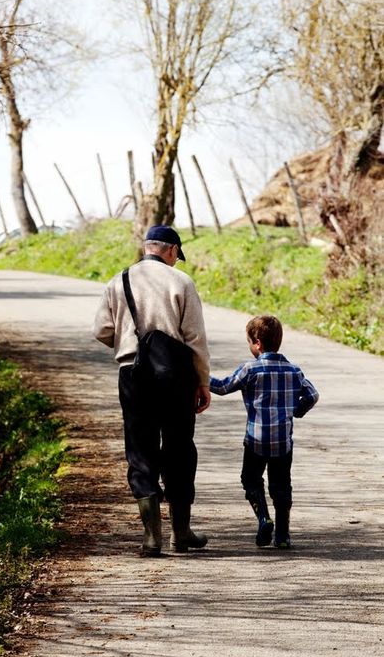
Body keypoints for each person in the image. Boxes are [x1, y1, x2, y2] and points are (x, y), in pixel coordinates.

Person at [94, 225, 211, 556]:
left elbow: (100, 329)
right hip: (176, 377)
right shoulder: (181, 282)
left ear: (147, 248)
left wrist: (129, 345)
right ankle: (182, 532)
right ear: (172, 250)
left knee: (140, 448)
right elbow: (195, 338)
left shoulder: (119, 281)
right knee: (179, 448)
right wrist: (202, 380)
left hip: (132, 375)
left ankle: (151, 538)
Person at [210, 315, 319, 548]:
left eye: (249, 342)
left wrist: (197, 376)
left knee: (250, 479)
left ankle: (263, 518)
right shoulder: (294, 371)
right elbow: (313, 395)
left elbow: (221, 387)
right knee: (281, 486)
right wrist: (295, 411)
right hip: (282, 442)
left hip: (256, 440)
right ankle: (282, 535)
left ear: (257, 343)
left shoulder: (250, 369)